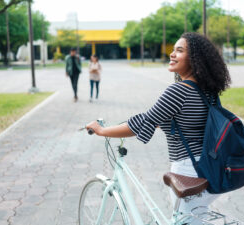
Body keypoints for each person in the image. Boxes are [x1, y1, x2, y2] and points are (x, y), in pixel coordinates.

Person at [86, 32, 231, 222]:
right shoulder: (207, 91)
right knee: (192, 219)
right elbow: (169, 120)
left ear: (195, 59)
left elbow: (143, 122)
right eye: (173, 50)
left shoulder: (178, 91)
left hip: (189, 169)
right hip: (213, 166)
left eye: (179, 50)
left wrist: (102, 130)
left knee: (186, 220)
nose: (172, 54)